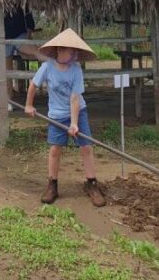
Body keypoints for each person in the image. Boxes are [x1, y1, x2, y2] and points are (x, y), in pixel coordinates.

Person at [24, 28, 106, 207]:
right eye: (71, 51)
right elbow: (33, 86)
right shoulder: (47, 67)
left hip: (78, 112)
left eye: (75, 51)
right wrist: (29, 105)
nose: (74, 54)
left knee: (86, 147)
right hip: (56, 115)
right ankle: (52, 184)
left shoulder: (76, 70)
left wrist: (75, 124)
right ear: (59, 50)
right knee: (55, 149)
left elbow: (75, 98)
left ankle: (91, 183)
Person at [5, 7, 36, 94]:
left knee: (34, 54)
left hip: (20, 35)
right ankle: (9, 100)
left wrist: (29, 30)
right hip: (4, 38)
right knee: (7, 72)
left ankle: (52, 66)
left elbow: (28, 13)